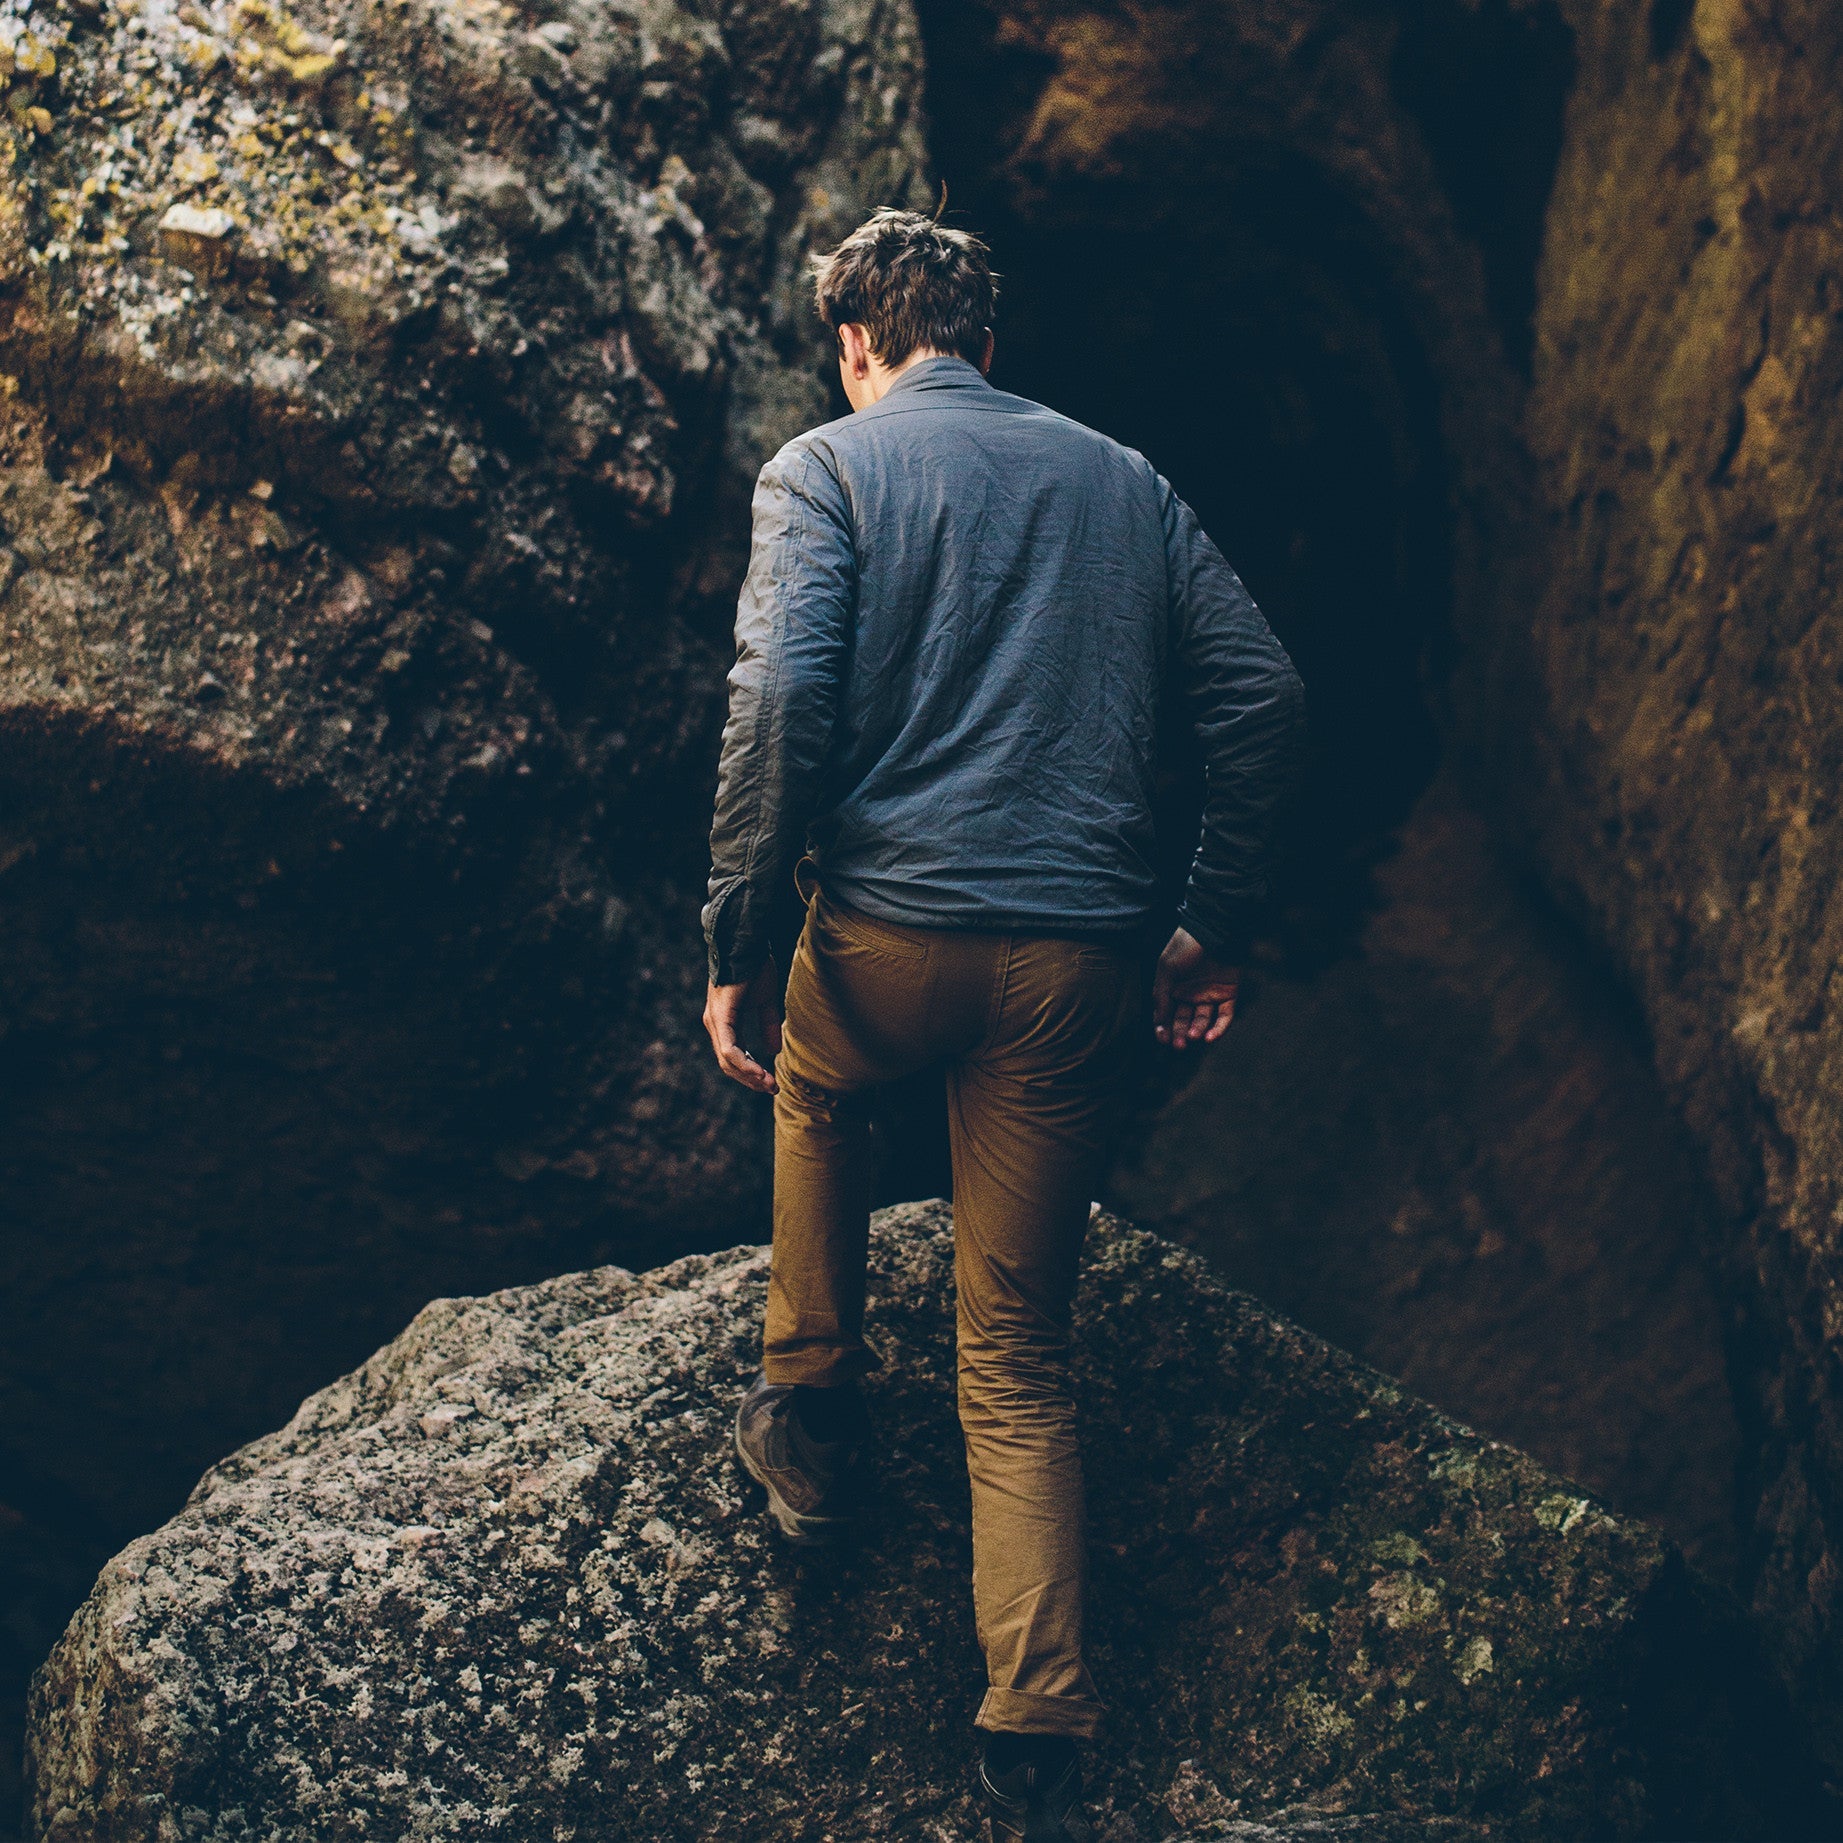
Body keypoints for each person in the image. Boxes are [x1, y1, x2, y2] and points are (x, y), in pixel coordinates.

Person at [703, 208, 1304, 1841]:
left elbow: (780, 705)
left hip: (883, 948)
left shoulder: (824, 472)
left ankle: (811, 1406)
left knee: (812, 1087)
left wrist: (744, 940)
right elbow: (1261, 695)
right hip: (1075, 978)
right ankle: (1035, 1717)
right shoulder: (1125, 482)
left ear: (853, 340)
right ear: (985, 340)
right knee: (1020, 1353)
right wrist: (1205, 927)